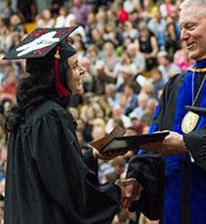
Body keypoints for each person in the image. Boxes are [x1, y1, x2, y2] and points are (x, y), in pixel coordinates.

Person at [124, 0, 206, 223]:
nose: (183, 36)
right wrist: (136, 177)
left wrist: (187, 144)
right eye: (181, 28)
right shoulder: (176, 84)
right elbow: (156, 138)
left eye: (190, 26)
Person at [3, 26, 139, 224]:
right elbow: (70, 190)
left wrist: (92, 155)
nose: (82, 70)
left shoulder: (27, 114)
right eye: (75, 66)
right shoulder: (50, 116)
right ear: (57, 73)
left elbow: (52, 172)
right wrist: (116, 192)